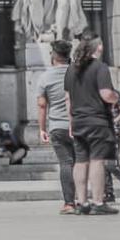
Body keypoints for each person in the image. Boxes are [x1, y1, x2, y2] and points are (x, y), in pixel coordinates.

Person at [64, 35, 120, 215]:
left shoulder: (71, 69)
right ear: (99, 48)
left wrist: (71, 121)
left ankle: (82, 202)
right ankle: (98, 201)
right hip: (97, 120)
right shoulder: (100, 68)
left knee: (80, 161)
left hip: (78, 120)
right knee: (97, 160)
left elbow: (68, 99)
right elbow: (105, 94)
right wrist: (116, 98)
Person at [37, 38, 76, 213]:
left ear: (53, 55)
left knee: (66, 163)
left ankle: (69, 202)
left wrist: (42, 128)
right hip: (79, 125)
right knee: (82, 162)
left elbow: (42, 105)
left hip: (57, 126)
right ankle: (85, 199)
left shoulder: (46, 77)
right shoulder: (77, 73)